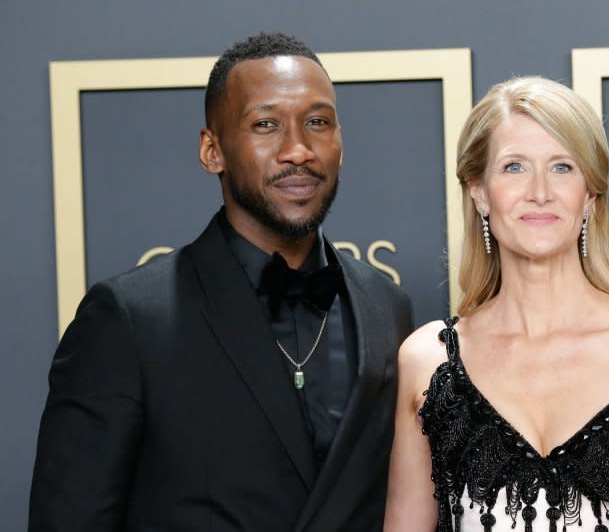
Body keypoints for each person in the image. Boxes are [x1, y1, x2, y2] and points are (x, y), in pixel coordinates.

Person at [30, 32, 413, 532]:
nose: (298, 149)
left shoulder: (388, 306)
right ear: (213, 150)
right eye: (266, 125)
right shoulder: (129, 318)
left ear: (340, 143)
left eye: (317, 123)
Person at [384, 76, 609, 531]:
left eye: (562, 167)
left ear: (590, 194)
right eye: (514, 167)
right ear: (478, 192)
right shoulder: (428, 361)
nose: (540, 191)